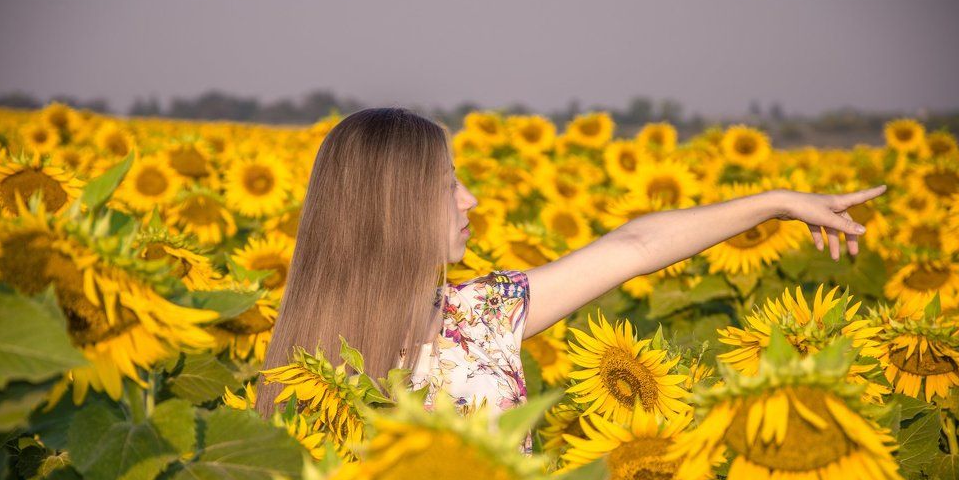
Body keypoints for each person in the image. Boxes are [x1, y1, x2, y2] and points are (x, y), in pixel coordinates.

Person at [253, 107, 886, 447]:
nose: (471, 201)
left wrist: (773, 201)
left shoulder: (481, 316)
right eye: (450, 184)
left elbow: (636, 245)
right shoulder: (311, 372)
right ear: (396, 208)